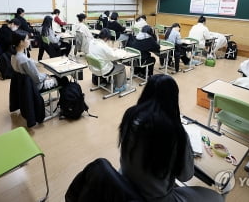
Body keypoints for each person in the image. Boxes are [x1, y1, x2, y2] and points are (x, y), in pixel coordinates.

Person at [119, 74, 223, 202]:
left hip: (125, 187)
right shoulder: (174, 133)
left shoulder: (130, 115)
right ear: (173, 99)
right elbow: (186, 176)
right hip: (155, 198)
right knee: (217, 197)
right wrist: (185, 144)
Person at [88, 28, 127, 92]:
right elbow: (114, 56)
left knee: (114, 63)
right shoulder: (103, 46)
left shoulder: (92, 42)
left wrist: (111, 50)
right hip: (102, 70)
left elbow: (104, 51)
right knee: (122, 67)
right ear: (106, 38)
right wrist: (123, 52)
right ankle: (119, 87)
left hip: (93, 68)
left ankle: (114, 82)